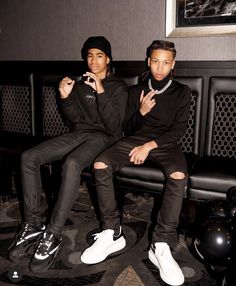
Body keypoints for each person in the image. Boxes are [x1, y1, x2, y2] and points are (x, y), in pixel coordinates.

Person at [8, 36, 128, 273]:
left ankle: (52, 234)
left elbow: (114, 126)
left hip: (104, 138)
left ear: (109, 59)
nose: (93, 60)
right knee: (28, 157)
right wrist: (65, 97)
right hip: (81, 133)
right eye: (90, 55)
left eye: (99, 56)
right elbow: (75, 121)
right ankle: (33, 224)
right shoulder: (81, 84)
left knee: (72, 164)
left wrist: (101, 90)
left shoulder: (118, 87)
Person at [81, 40, 191, 286]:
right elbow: (126, 129)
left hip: (164, 145)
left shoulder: (181, 91)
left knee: (178, 175)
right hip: (134, 140)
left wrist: (149, 146)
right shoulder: (135, 91)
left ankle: (161, 244)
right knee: (100, 164)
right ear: (148, 62)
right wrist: (140, 112)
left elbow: (179, 130)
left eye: (165, 62)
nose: (160, 67)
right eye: (155, 61)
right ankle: (112, 232)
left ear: (173, 64)